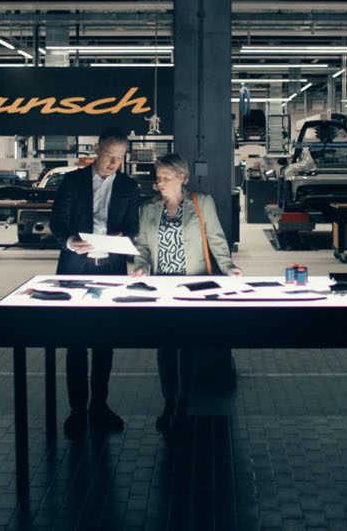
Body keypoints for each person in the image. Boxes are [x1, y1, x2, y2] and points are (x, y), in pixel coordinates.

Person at [131, 153, 239, 431]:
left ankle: (185, 400)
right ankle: (169, 400)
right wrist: (141, 267)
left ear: (182, 177)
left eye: (166, 177)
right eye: (158, 178)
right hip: (160, 286)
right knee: (164, 347)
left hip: (193, 285)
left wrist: (229, 268)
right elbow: (142, 247)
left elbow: (216, 239)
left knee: (188, 345)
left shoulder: (200, 203)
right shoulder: (149, 208)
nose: (160, 183)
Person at [49, 126, 142, 436]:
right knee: (75, 343)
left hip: (110, 270)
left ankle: (99, 406)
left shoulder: (129, 187)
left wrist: (123, 237)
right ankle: (77, 410)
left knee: (105, 342)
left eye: (119, 158)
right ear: (97, 149)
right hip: (77, 268)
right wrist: (69, 241)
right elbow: (57, 222)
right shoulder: (72, 181)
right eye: (109, 156)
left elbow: (133, 227)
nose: (114, 163)